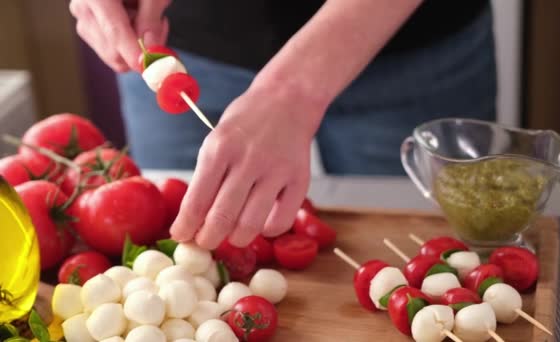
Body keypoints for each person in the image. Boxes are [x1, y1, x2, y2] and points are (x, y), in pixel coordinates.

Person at [69, 0, 496, 250]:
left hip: (405, 48)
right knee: (186, 241)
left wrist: (294, 90)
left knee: (423, 251)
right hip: (190, 39)